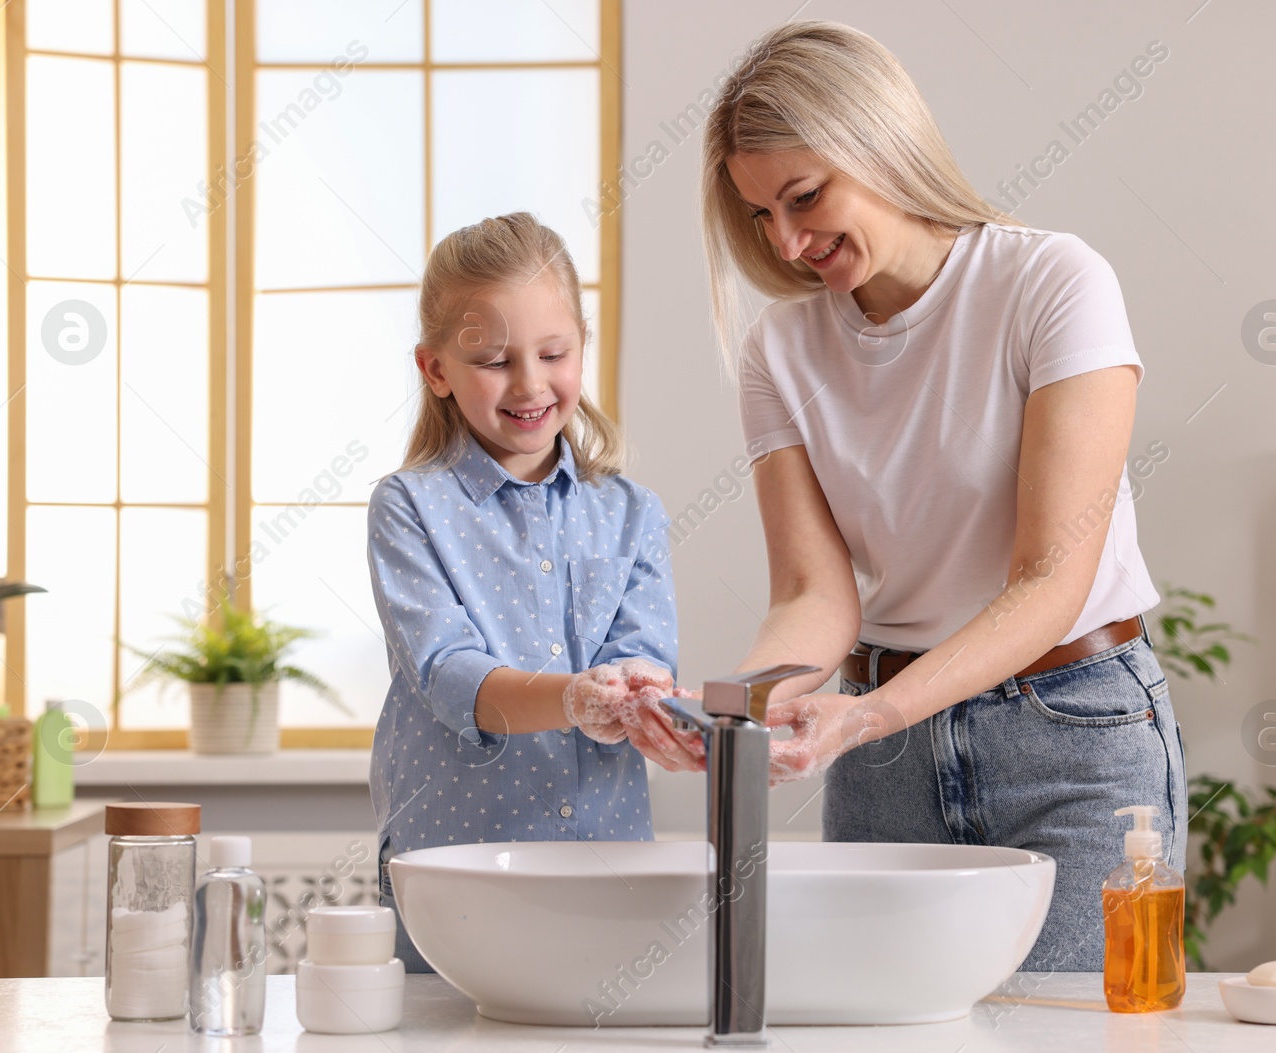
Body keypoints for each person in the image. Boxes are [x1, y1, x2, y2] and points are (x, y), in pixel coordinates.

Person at [699, 22, 1185, 973]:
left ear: (880, 139)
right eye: (761, 216)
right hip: (884, 761)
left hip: (1071, 733)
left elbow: (1050, 575)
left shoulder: (1052, 283)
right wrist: (733, 709)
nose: (791, 242)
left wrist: (870, 715)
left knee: (1074, 1040)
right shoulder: (781, 349)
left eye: (805, 197)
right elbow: (813, 595)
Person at [367, 213, 701, 972]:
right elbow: (447, 671)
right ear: (436, 368)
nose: (529, 383)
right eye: (492, 359)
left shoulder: (631, 513)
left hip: (605, 868)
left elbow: (643, 654)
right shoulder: (409, 507)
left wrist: (642, 693)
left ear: (581, 347)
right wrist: (574, 698)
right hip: (452, 870)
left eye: (554, 353)